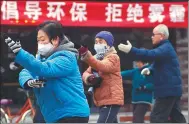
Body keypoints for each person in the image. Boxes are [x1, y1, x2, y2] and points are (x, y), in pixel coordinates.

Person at [3, 20, 90, 123]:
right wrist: (29, 81)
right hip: (53, 115)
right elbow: (26, 71)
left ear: (55, 40)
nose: (39, 44)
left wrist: (21, 54)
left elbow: (44, 69)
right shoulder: (42, 58)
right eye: (38, 40)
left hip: (72, 114)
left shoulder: (66, 57)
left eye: (42, 39)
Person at [118, 24, 186, 123]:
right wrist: (150, 69)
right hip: (171, 89)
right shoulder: (165, 48)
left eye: (154, 35)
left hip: (166, 90)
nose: (152, 37)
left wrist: (131, 50)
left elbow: (151, 55)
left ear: (161, 36)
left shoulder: (165, 48)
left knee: (156, 118)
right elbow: (160, 63)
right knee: (177, 118)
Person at [79, 31, 124, 123]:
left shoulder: (113, 57)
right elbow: (85, 73)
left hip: (111, 99)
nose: (98, 44)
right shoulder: (97, 57)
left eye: (101, 41)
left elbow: (102, 66)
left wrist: (87, 55)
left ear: (108, 44)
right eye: (96, 42)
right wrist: (90, 77)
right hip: (102, 99)